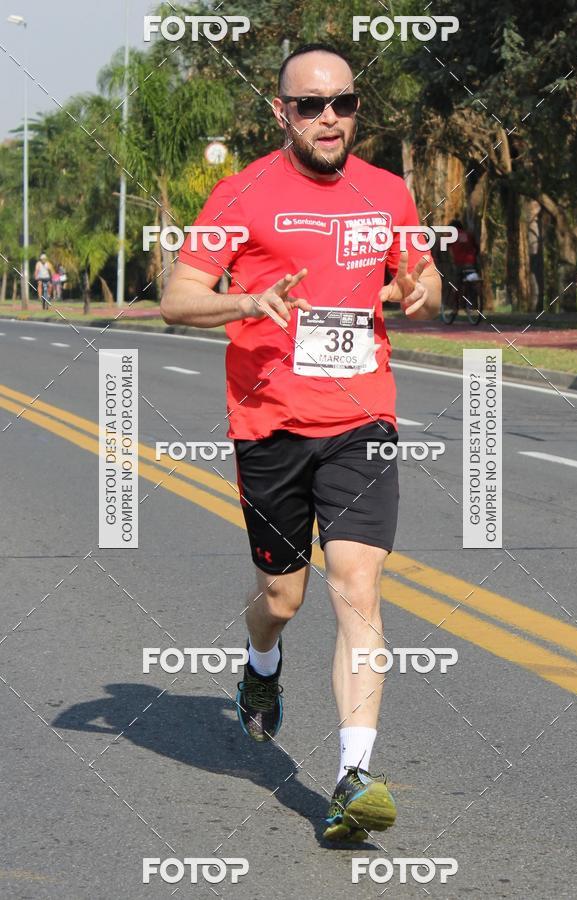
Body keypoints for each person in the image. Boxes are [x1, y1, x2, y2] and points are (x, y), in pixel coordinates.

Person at [161, 43, 441, 842]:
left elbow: (417, 282)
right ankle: (260, 665)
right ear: (280, 112)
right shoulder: (242, 191)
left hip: (362, 421)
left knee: (357, 588)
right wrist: (249, 301)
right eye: (311, 105)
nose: (329, 117)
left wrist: (418, 290)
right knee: (282, 598)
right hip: (270, 424)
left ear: (357, 109)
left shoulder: (387, 191)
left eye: (343, 103)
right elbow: (181, 299)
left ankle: (353, 776)